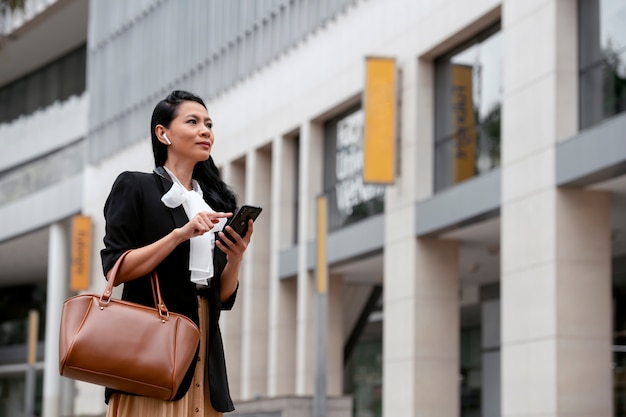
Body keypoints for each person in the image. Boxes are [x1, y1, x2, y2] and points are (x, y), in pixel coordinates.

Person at [101, 90, 252, 416]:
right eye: (193, 121)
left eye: (209, 124)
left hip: (204, 346)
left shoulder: (214, 205)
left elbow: (220, 298)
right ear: (163, 133)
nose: (205, 131)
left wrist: (236, 257)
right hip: (150, 346)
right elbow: (115, 267)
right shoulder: (135, 187)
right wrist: (179, 235)